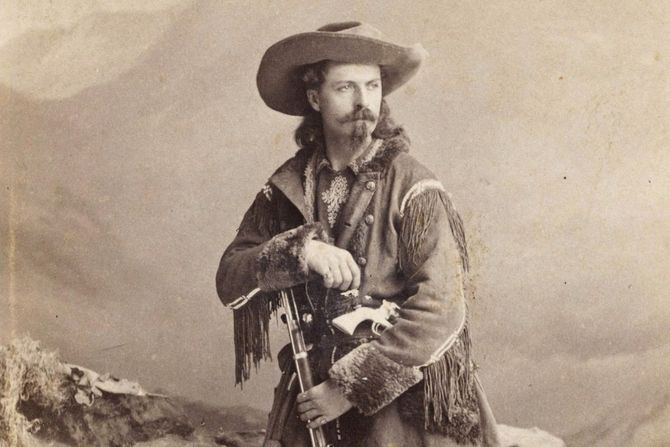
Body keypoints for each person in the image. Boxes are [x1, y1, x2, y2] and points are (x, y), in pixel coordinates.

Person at [216, 22, 500, 447]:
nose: (363, 101)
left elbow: (441, 307)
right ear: (315, 98)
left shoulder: (412, 184)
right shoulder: (287, 187)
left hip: (401, 407)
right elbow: (230, 278)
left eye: (372, 86)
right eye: (346, 87)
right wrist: (301, 252)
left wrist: (349, 388)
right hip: (311, 395)